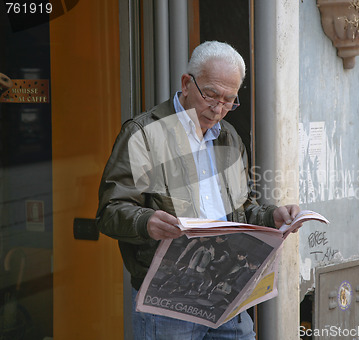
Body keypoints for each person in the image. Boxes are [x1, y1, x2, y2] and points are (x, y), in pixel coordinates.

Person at [96, 40, 300, 340]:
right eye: (211, 95)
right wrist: (146, 222)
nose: (218, 109)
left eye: (229, 100)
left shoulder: (229, 137)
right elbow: (110, 212)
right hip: (168, 301)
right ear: (186, 83)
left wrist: (273, 216)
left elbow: (243, 210)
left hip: (227, 293)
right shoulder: (144, 134)